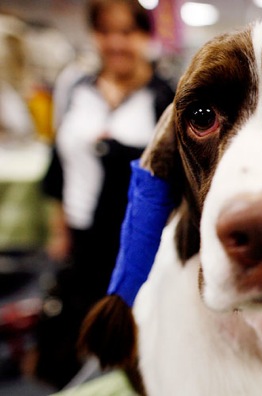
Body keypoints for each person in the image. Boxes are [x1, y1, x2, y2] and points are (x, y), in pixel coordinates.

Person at [36, 0, 174, 388]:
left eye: (127, 32)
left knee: (137, 330)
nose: (116, 43)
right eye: (106, 32)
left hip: (139, 238)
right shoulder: (76, 89)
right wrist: (57, 224)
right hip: (82, 230)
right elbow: (59, 160)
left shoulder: (164, 97)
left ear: (146, 36)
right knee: (75, 326)